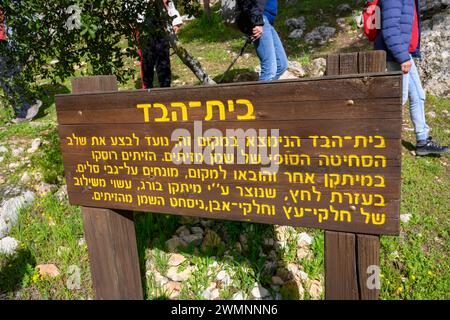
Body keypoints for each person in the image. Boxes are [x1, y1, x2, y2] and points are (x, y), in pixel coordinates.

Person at [375, 0, 449, 155]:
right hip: (394, 55)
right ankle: (379, 141)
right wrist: (402, 57)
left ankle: (423, 141)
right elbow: (390, 29)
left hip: (402, 52)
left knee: (418, 95)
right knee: (398, 99)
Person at [0, 7, 42, 123]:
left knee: (11, 77)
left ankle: (29, 107)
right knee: (5, 82)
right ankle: (21, 112)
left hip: (1, 45)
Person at [237, 0, 288, 81]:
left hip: (266, 20)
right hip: (259, 18)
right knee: (269, 69)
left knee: (281, 65)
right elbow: (250, 3)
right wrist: (257, 22)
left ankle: (266, 91)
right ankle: (262, 92)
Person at [137, 0, 183, 89]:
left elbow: (168, 3)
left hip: (162, 24)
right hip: (143, 25)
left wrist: (175, 22)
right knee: (147, 59)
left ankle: (165, 88)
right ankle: (147, 88)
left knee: (163, 57)